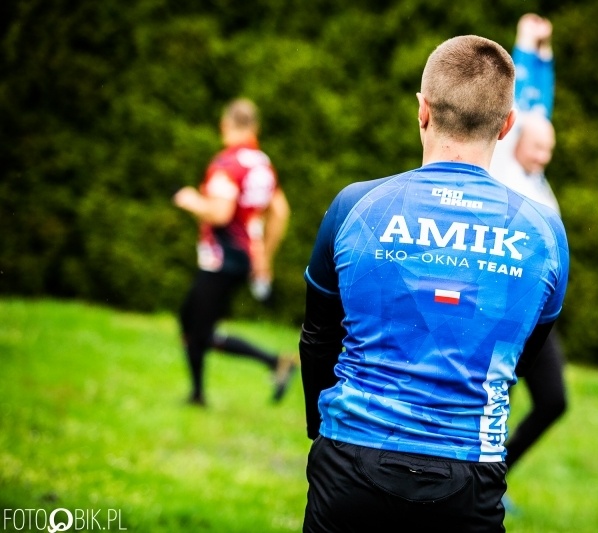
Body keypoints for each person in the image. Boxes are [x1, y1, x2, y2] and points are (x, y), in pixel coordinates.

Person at [299, 35, 569, 532]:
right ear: (507, 125)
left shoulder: (355, 205)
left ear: (422, 110)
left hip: (350, 462)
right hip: (470, 475)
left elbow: (317, 336)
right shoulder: (545, 232)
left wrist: (322, 431)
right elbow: (522, 356)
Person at [173, 97, 295, 407]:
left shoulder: (227, 164)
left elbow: (220, 213)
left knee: (197, 329)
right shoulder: (262, 164)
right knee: (192, 322)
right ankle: (199, 393)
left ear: (225, 124)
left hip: (222, 257)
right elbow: (280, 211)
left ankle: (273, 363)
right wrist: (265, 256)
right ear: (255, 128)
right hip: (243, 256)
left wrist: (190, 199)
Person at [489, 13, 569, 476]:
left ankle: (497, 476)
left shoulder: (536, 178)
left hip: (534, 310)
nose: (542, 156)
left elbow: (541, 104)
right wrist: (523, 44)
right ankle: (481, 485)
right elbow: (522, 102)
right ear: (514, 132)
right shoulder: (502, 161)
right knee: (495, 399)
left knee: (553, 401)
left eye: (549, 151)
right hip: (500, 303)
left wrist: (545, 53)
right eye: (537, 147)